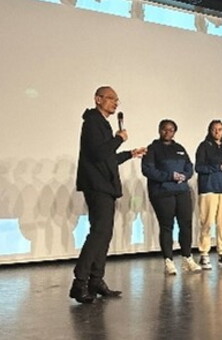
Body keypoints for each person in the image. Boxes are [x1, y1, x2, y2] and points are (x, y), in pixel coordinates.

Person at [70, 86, 146, 304]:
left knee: (104, 234)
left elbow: (108, 158)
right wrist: (119, 138)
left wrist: (130, 154)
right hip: (97, 185)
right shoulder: (92, 122)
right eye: (111, 99)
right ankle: (80, 282)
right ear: (98, 99)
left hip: (105, 185)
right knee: (99, 233)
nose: (115, 103)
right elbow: (99, 154)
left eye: (117, 100)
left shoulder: (102, 123)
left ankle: (96, 280)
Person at [141, 119, 202, 275]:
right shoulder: (153, 148)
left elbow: (189, 166)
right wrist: (170, 176)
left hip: (182, 191)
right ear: (159, 130)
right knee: (167, 226)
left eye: (171, 130)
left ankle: (187, 257)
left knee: (186, 224)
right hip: (162, 193)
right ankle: (168, 261)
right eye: (165, 129)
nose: (168, 132)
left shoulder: (179, 148)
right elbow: (148, 170)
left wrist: (185, 175)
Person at [195, 120, 222, 269]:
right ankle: (204, 254)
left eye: (220, 129)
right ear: (210, 130)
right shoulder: (204, 146)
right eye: (214, 129)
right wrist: (218, 167)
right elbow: (199, 167)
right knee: (207, 222)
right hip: (209, 188)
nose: (217, 132)